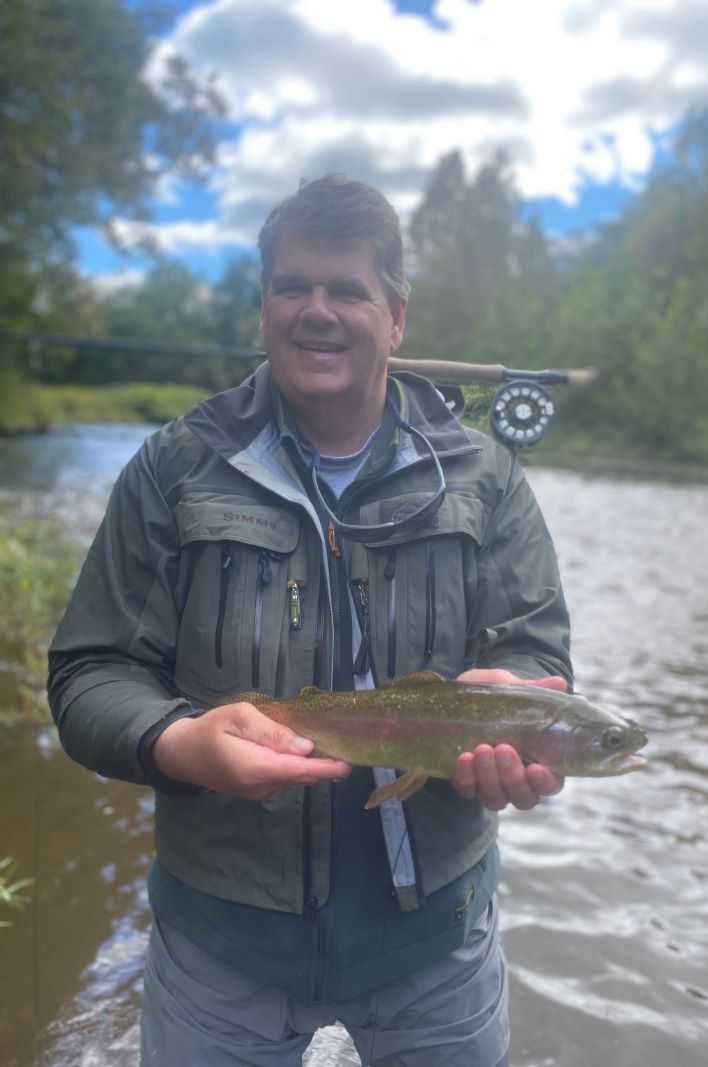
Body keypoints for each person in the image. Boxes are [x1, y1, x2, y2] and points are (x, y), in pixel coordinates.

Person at [48, 175, 573, 1067]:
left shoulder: (485, 478)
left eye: (348, 291)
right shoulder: (175, 468)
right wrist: (180, 744)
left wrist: (516, 704)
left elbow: (535, 649)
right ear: (264, 309)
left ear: (396, 317)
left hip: (438, 944)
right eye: (293, 287)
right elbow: (90, 671)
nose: (317, 311)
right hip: (220, 948)